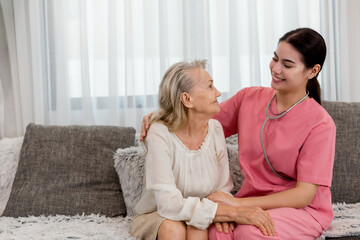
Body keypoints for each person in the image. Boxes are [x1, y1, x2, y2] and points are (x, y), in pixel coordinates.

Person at [140, 28, 336, 240]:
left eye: (287, 65)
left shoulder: (321, 124)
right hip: (247, 202)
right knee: (215, 232)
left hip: (300, 210)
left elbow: (303, 195)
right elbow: (197, 117)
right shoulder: (249, 98)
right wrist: (162, 117)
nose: (276, 69)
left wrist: (238, 205)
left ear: (312, 71)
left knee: (249, 232)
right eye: (275, 58)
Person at [131, 60, 275, 240]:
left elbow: (223, 187)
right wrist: (230, 213)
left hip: (201, 211)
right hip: (159, 214)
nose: (218, 93)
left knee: (198, 227)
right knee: (173, 229)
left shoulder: (215, 129)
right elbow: (167, 203)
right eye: (209, 86)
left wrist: (218, 212)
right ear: (187, 99)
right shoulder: (159, 132)